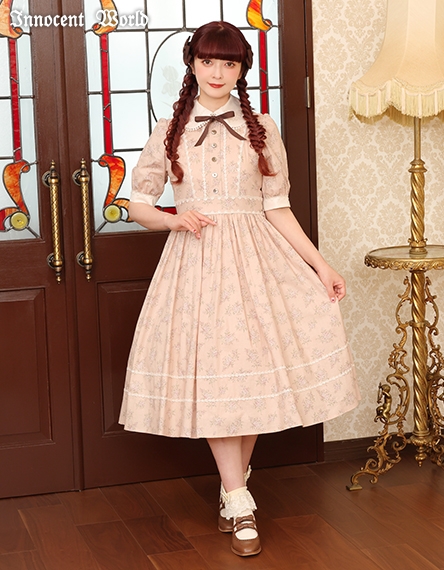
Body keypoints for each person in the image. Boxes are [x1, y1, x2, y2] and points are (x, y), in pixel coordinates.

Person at [119, 20, 360, 557]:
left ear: (241, 70)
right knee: (218, 384)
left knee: (246, 383)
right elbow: (137, 204)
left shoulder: (262, 127)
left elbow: (278, 207)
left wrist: (321, 267)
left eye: (228, 63)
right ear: (192, 64)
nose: (217, 72)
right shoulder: (168, 130)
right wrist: (173, 219)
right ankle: (239, 499)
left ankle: (234, 488)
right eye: (208, 61)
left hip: (257, 263)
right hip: (197, 262)